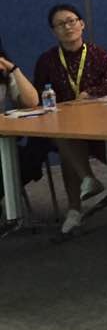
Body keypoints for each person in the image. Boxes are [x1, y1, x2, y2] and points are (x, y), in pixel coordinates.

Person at [33, 3, 107, 235]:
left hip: (98, 120)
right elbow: (38, 94)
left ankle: (78, 203)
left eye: (71, 21)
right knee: (64, 135)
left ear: (82, 24)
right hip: (61, 124)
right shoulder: (47, 60)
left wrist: (89, 93)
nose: (67, 27)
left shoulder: (98, 54)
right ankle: (83, 188)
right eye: (60, 24)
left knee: (67, 144)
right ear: (54, 31)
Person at [0, 39, 44, 210]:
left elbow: (32, 102)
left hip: (3, 141)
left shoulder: (3, 72)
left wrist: (12, 69)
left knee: (34, 155)